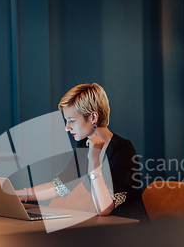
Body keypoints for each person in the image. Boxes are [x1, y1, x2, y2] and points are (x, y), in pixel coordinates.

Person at [16, 83, 149, 222]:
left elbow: (104, 208)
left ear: (93, 117)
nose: (67, 128)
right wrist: (17, 195)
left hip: (130, 234)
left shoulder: (122, 150)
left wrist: (94, 160)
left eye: (72, 121)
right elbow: (61, 186)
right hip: (103, 230)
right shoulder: (83, 145)